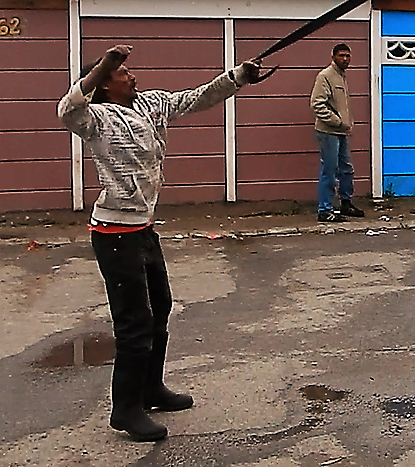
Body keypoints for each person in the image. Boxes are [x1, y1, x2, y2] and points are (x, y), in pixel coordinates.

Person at [58, 44, 262, 442]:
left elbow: (198, 97)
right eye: (122, 74)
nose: (132, 76)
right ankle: (125, 409)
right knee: (134, 324)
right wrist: (102, 66)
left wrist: (238, 77)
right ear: (103, 85)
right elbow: (66, 108)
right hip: (114, 234)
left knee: (160, 310)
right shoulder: (94, 119)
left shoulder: (151, 105)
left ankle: (151, 389)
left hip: (143, 229)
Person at [310, 43, 366, 222]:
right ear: (333, 56)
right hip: (328, 132)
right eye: (341, 55)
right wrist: (338, 122)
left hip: (341, 132)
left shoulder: (341, 77)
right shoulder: (325, 76)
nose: (345, 59)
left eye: (348, 55)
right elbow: (317, 104)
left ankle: (346, 203)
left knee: (346, 169)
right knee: (329, 170)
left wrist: (346, 124)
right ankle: (325, 210)